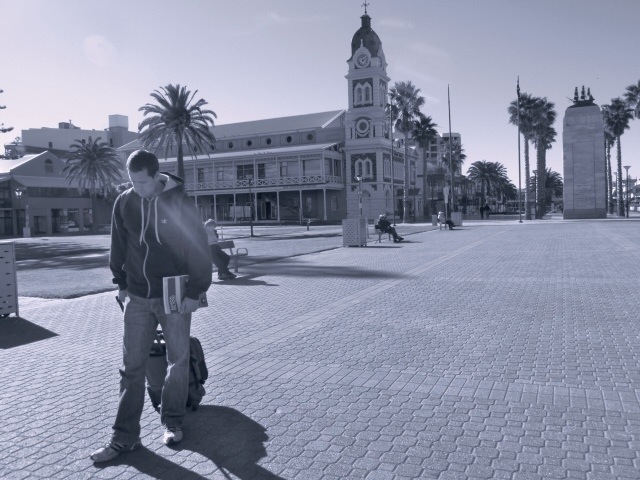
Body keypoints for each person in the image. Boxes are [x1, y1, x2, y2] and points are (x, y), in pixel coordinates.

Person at [91, 150, 212, 463]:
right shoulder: (125, 202)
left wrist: (196, 290)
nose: (137, 188)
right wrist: (120, 284)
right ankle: (124, 438)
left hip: (175, 294)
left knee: (178, 361)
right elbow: (118, 245)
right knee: (131, 368)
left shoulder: (179, 202)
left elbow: (198, 245)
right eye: (132, 181)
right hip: (138, 297)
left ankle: (172, 422)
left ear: (157, 177)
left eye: (142, 182)